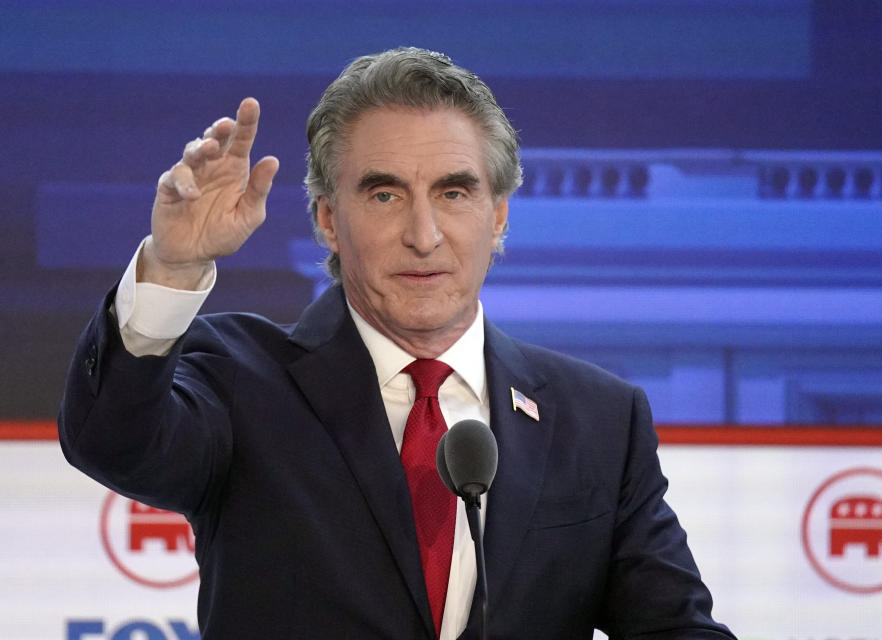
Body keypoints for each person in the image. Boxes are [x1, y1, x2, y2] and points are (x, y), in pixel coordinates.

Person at [59, 47, 735, 639]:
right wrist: (173, 267)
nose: (424, 234)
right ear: (328, 218)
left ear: (497, 215)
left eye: (454, 193)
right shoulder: (241, 380)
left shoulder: (598, 420)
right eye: (384, 195)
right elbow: (113, 440)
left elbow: (673, 625)